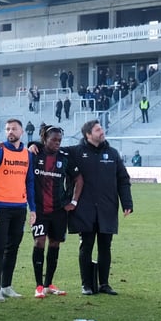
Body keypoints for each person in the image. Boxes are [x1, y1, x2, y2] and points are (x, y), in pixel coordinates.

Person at [68, 120, 133, 295]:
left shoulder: (112, 153)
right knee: (86, 245)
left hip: (107, 208)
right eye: (98, 129)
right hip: (84, 209)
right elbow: (52, 149)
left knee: (105, 246)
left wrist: (127, 203)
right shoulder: (75, 152)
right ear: (88, 134)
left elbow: (123, 179)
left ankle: (104, 284)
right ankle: (86, 285)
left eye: (101, 129)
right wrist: (33, 145)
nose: (102, 132)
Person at [0, 119, 35, 302]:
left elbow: (29, 182)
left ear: (22, 131)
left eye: (14, 128)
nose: (10, 131)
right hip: (0, 208)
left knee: (13, 248)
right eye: (7, 129)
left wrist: (32, 208)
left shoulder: (28, 155)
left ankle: (7, 285)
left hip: (19, 208)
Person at [29, 124, 82, 298]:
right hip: (39, 209)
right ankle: (38, 286)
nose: (57, 143)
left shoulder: (64, 157)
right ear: (45, 139)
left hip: (59, 210)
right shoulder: (35, 154)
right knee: (39, 242)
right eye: (54, 140)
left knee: (55, 243)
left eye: (60, 140)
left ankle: (48, 284)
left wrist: (73, 201)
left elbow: (79, 179)